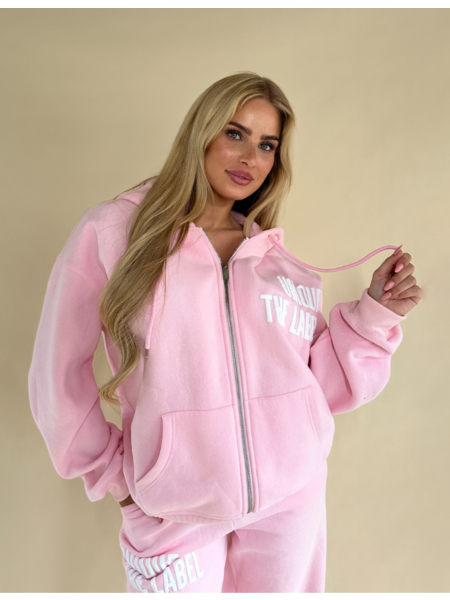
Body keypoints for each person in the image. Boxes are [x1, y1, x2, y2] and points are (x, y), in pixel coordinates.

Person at [29, 72, 422, 594]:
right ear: (203, 132)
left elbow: (315, 388)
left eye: (267, 145)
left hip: (289, 502)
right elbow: (57, 373)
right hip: (173, 509)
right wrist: (114, 478)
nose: (249, 158)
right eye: (235, 133)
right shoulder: (114, 234)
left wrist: (374, 315)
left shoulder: (275, 261)